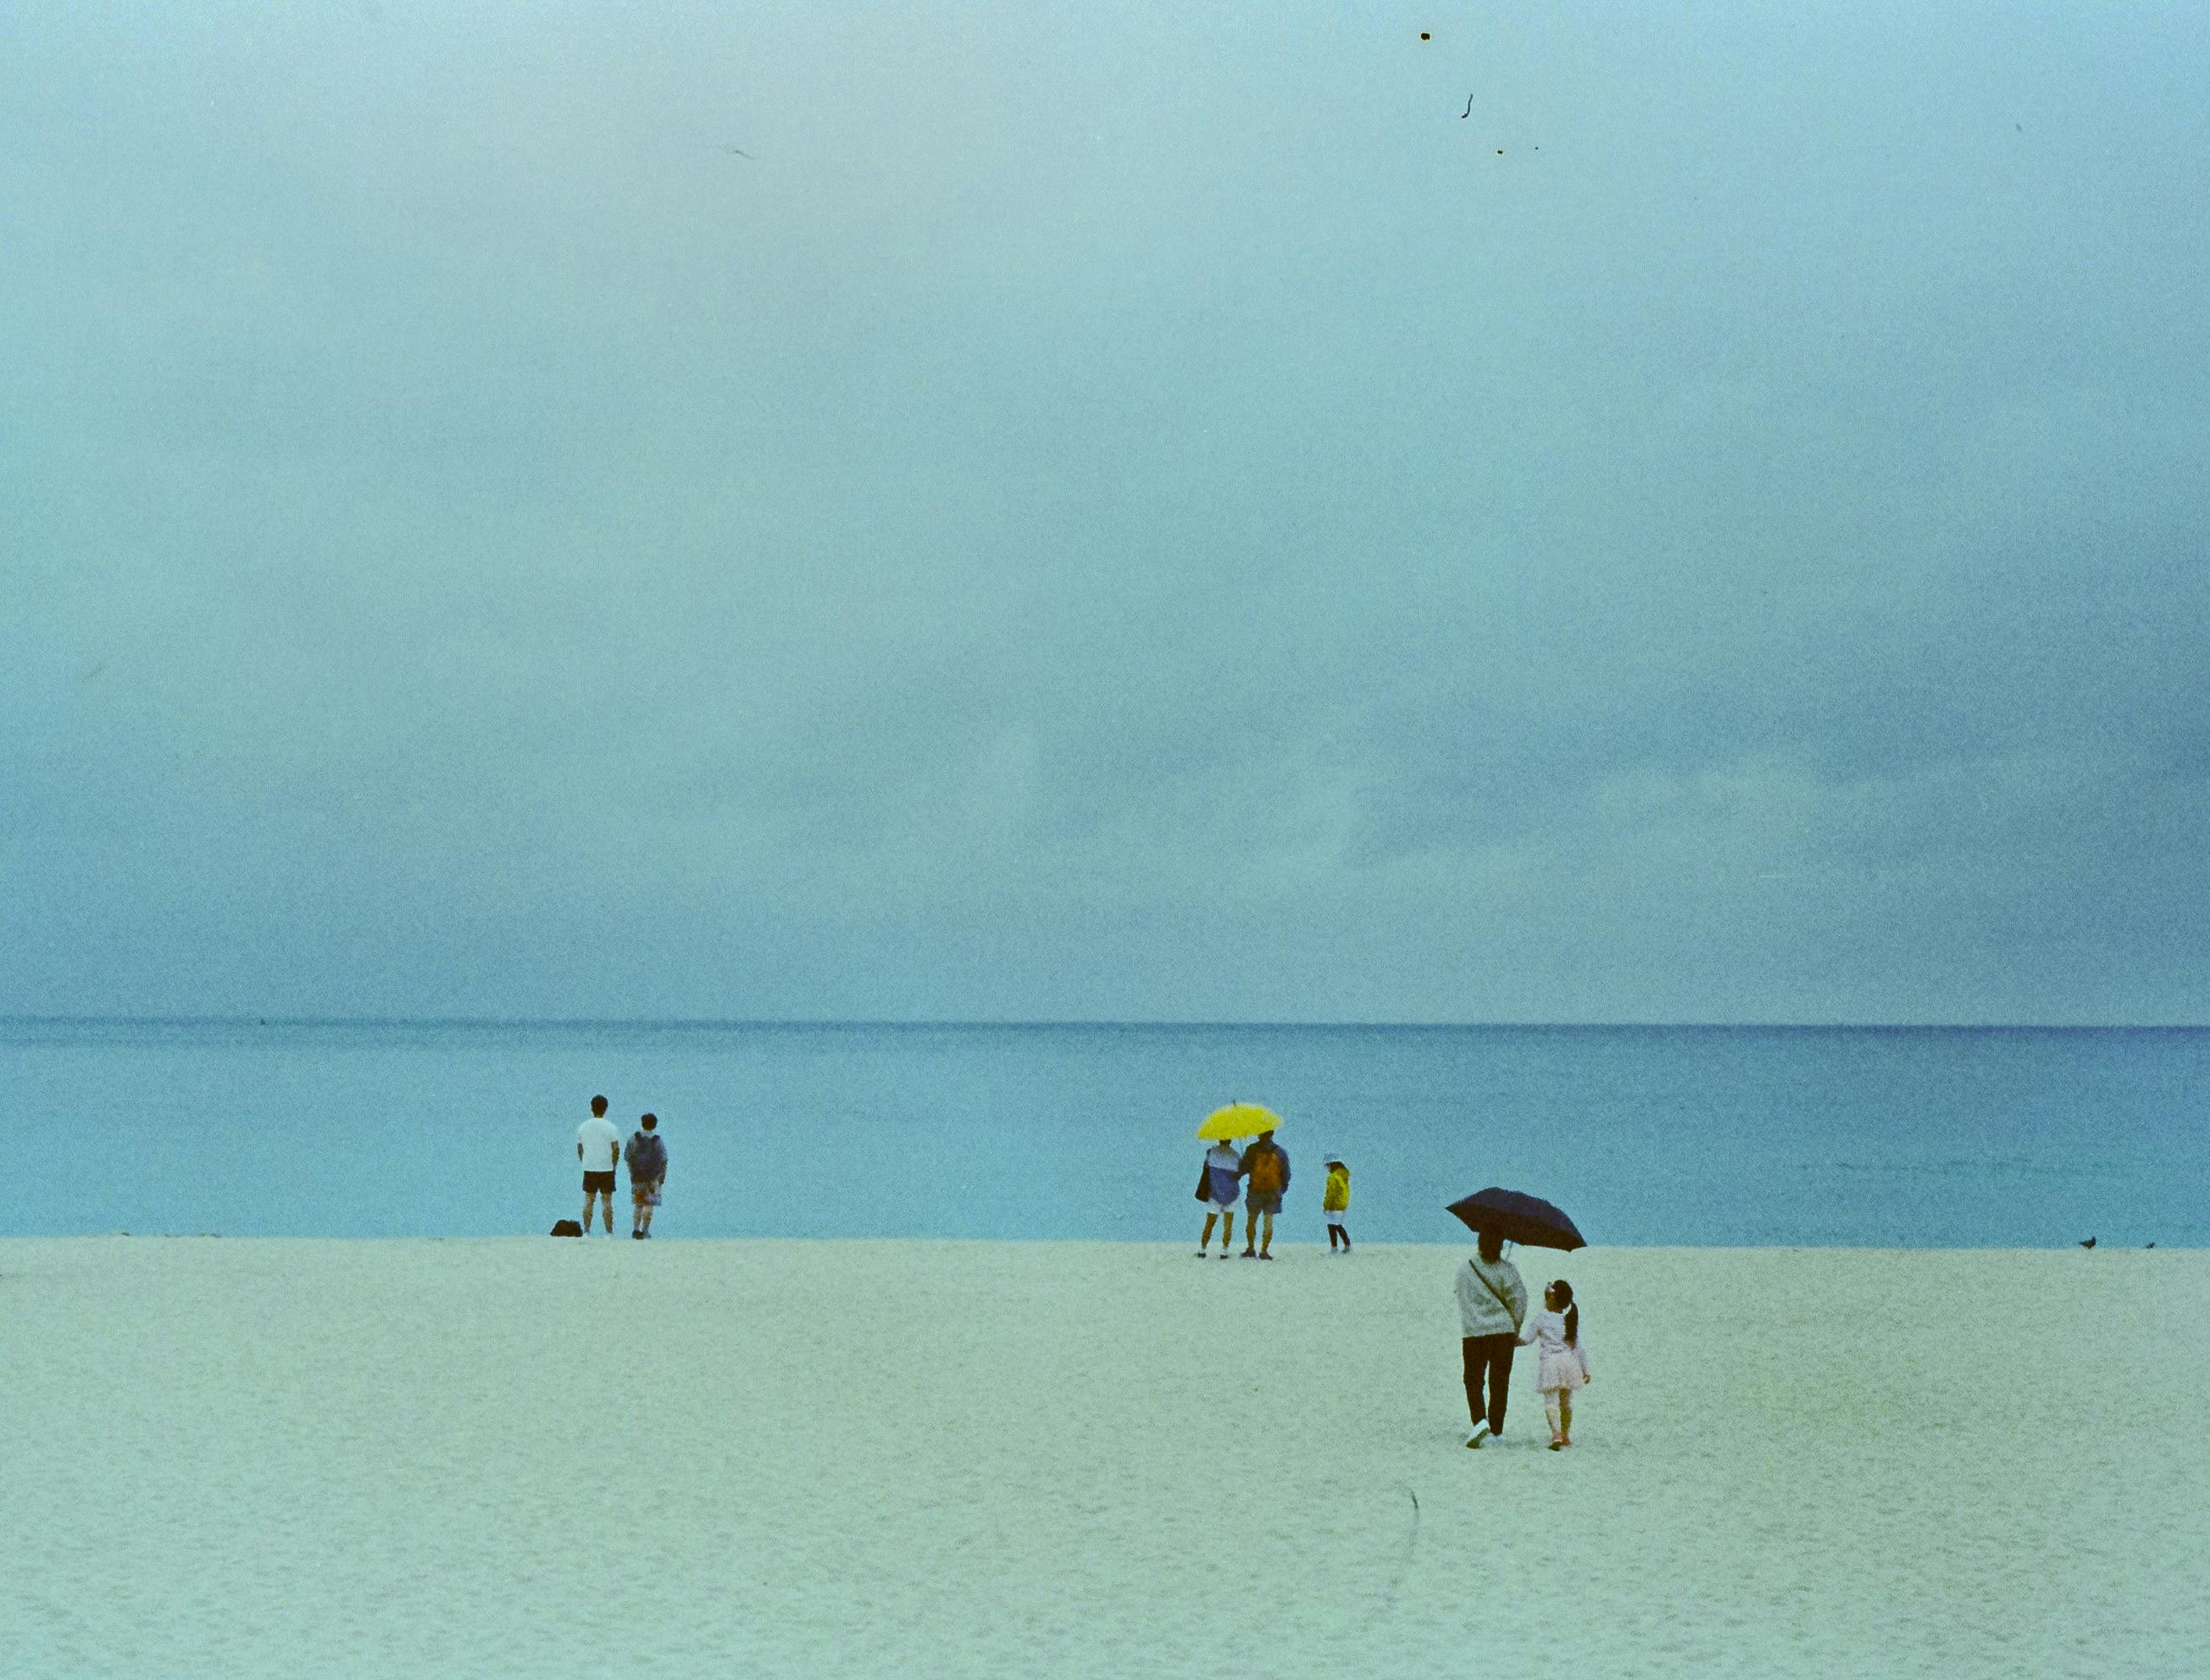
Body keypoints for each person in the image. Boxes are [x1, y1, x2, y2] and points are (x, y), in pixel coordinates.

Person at [1455, 1228, 1528, 1447]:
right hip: (1503, 1333)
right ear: (1501, 1246)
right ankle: (1496, 1430)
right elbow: (1520, 1302)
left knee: (1473, 1381)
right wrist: (1514, 1328)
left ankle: (1479, 1422)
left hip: (1474, 1333)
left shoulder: (1465, 1269)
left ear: (1479, 1243)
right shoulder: (1508, 1270)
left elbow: (1462, 1298)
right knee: (1499, 1383)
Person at [1521, 1278, 1591, 1449]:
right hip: (1569, 1363)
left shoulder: (1541, 1318)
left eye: (1546, 1296)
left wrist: (1511, 1339)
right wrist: (1585, 1370)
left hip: (1550, 1363)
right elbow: (1578, 1348)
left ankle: (1556, 1434)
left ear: (1551, 1299)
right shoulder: (1570, 1320)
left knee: (1551, 1401)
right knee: (1566, 1402)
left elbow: (1526, 1340)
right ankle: (1566, 1435)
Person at [1239, 1129, 1291, 1259]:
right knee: (1268, 1222)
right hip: (1273, 1193)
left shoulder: (1252, 1149)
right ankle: (1264, 1251)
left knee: (1251, 1221)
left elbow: (1243, 1169)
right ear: (1272, 1134)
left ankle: (1251, 1248)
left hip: (1255, 1191)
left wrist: (1244, 1165)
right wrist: (1281, 1189)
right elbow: (1286, 1174)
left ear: (1259, 1134)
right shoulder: (1280, 1152)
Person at [576, 1095, 621, 1235]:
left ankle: (587, 1231)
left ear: (592, 1108)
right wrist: (614, 1165)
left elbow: (580, 1148)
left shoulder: (583, 1127)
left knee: (589, 1199)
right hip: (606, 1167)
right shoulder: (611, 1127)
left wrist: (584, 1161)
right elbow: (615, 1148)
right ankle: (608, 1232)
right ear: (605, 1109)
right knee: (607, 1200)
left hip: (589, 1166)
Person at [624, 1112, 669, 1239]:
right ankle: (645, 1231)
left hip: (638, 1176)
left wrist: (632, 1172)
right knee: (649, 1204)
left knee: (638, 1204)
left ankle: (635, 1229)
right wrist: (662, 1176)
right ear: (654, 1125)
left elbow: (627, 1157)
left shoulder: (634, 1138)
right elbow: (664, 1160)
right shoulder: (657, 1140)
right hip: (653, 1176)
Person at [1197, 1137, 1243, 1257]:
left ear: (1219, 1139)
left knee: (1209, 1223)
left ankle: (1202, 1249)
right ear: (1230, 1140)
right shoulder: (1236, 1155)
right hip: (1232, 1193)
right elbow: (1239, 1175)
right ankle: (1224, 1251)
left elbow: (1206, 1168)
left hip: (1215, 1194)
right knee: (1228, 1225)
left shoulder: (1212, 1153)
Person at [1322, 1157, 1352, 1252]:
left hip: (1334, 1205)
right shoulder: (1343, 1176)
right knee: (1337, 1225)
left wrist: (1326, 1205)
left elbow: (1330, 1193)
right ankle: (1347, 1245)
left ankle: (1334, 1247)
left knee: (1332, 1226)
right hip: (1342, 1204)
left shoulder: (1332, 1177)